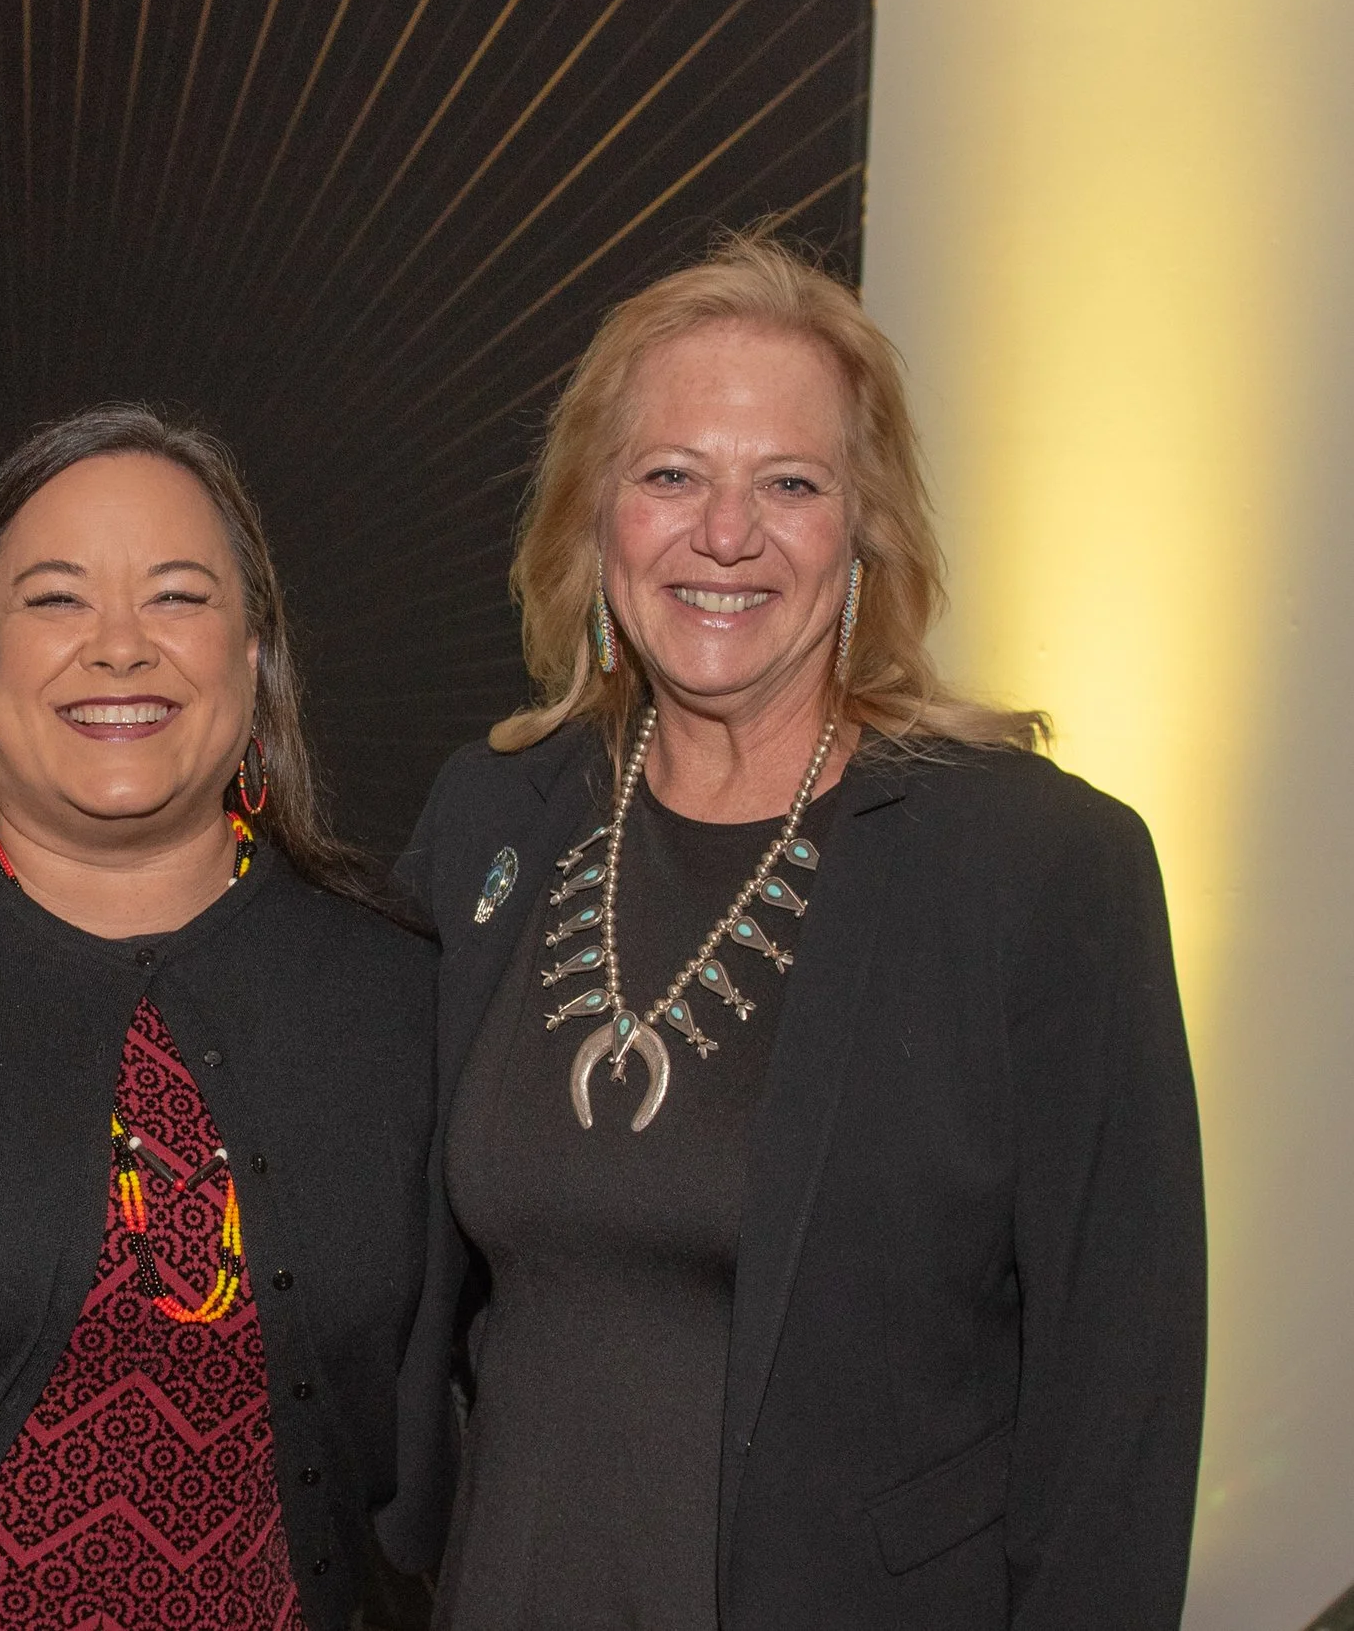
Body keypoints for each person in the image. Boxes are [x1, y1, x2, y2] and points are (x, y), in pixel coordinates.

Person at [397, 233, 1206, 1630]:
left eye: (790, 483)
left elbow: (1118, 1401)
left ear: (864, 532)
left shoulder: (1035, 868)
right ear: (595, 518)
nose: (726, 534)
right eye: (670, 475)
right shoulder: (492, 819)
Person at [0, 404, 449, 1631]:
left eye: (177, 597)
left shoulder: (398, 985)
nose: (120, 647)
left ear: (254, 659)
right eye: (56, 599)